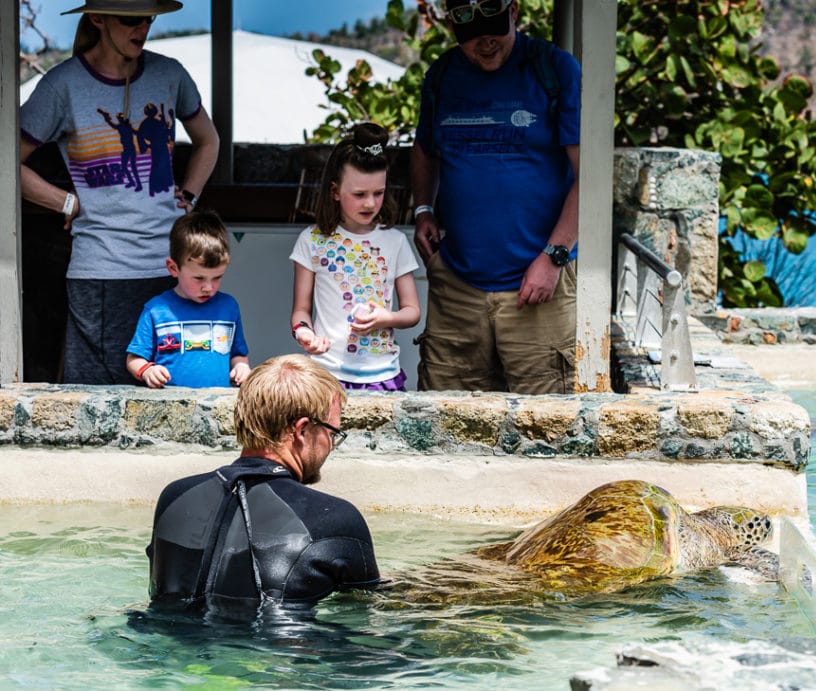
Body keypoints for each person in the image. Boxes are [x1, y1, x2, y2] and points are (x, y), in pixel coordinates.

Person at [19, 0, 219, 385]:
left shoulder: (170, 74)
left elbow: (209, 141)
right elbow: (8, 159)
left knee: (173, 392)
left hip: (173, 268)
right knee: (98, 398)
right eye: (131, 19)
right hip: (101, 273)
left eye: (148, 18)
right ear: (97, 18)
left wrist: (189, 196)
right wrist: (66, 203)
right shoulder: (62, 85)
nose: (142, 28)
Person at [411, 0, 581, 395]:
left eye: (495, 34)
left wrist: (553, 257)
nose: (485, 46)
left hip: (539, 286)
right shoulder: (442, 75)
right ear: (453, 26)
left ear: (515, 12)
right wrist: (422, 209)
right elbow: (423, 147)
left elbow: (588, 176)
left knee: (547, 422)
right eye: (472, 39)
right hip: (457, 284)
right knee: (444, 418)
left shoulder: (553, 69)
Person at [147, 354, 381, 613]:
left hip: (165, 645)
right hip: (279, 651)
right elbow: (365, 612)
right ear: (302, 430)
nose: (332, 446)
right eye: (332, 433)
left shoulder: (175, 498)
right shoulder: (337, 519)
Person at [290, 123, 421, 391]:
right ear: (335, 191)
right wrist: (304, 332)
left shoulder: (395, 241)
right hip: (325, 374)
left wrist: (387, 318)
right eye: (359, 194)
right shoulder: (311, 240)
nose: (370, 203)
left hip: (382, 375)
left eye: (379, 193)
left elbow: (412, 312)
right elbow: (301, 310)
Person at [126, 210, 251, 388]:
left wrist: (241, 367)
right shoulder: (157, 310)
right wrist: (146, 370)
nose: (208, 287)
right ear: (173, 268)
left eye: (217, 277)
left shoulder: (228, 307)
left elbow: (239, 353)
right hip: (169, 408)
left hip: (216, 407)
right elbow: (134, 358)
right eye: (199, 278)